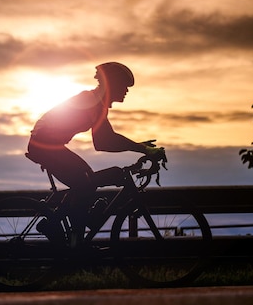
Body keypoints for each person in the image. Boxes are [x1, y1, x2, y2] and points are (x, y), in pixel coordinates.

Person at [25, 62, 163, 245]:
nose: (126, 91)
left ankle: (70, 230)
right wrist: (142, 149)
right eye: (123, 86)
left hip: (50, 144)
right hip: (44, 145)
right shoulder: (91, 101)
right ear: (112, 84)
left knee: (87, 180)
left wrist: (138, 146)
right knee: (85, 181)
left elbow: (104, 140)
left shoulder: (98, 104)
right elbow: (105, 141)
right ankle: (68, 234)